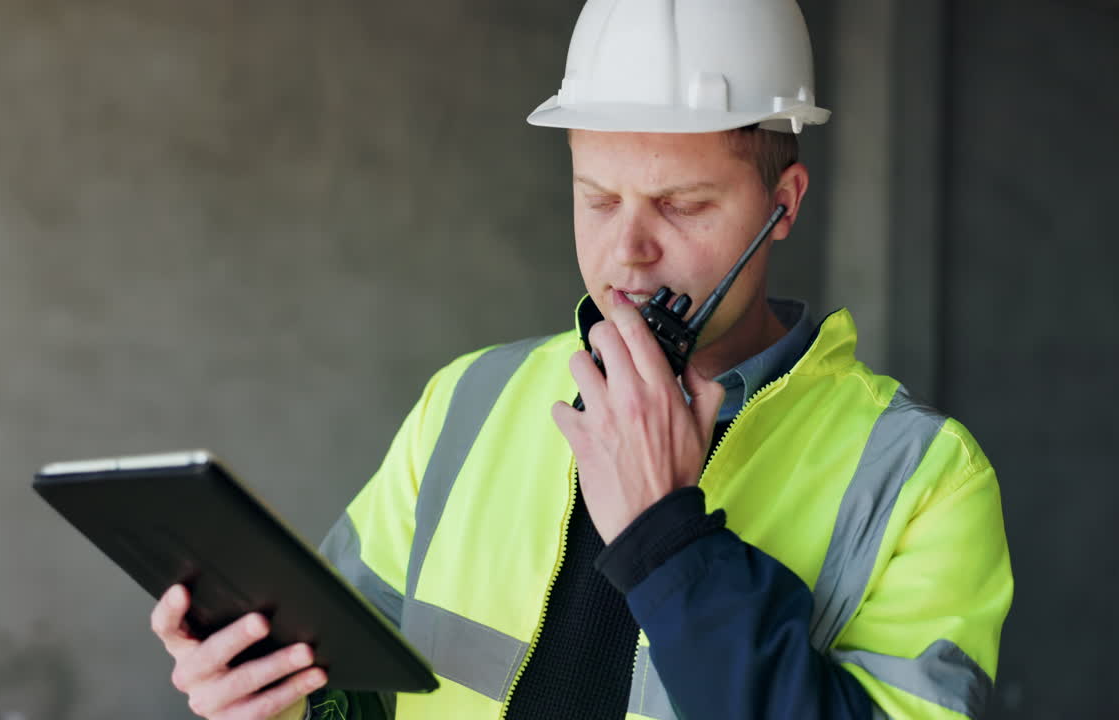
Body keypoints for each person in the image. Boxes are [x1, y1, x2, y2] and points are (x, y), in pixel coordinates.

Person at [149, 1, 1013, 718]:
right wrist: (275, 702)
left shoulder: (921, 478)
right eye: (598, 199)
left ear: (781, 206)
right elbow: (355, 692)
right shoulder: (468, 400)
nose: (628, 253)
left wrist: (669, 543)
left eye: (680, 205)